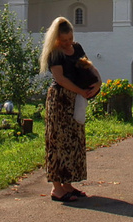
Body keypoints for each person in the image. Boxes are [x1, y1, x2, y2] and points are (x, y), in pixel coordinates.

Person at [39, 17, 101, 202]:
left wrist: (98, 82)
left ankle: (68, 185)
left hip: (76, 99)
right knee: (58, 142)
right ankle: (57, 189)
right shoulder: (55, 53)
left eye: (69, 39)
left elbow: (88, 66)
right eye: (63, 40)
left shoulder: (77, 48)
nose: (67, 43)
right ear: (56, 38)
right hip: (60, 100)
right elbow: (61, 79)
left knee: (73, 141)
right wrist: (81, 91)